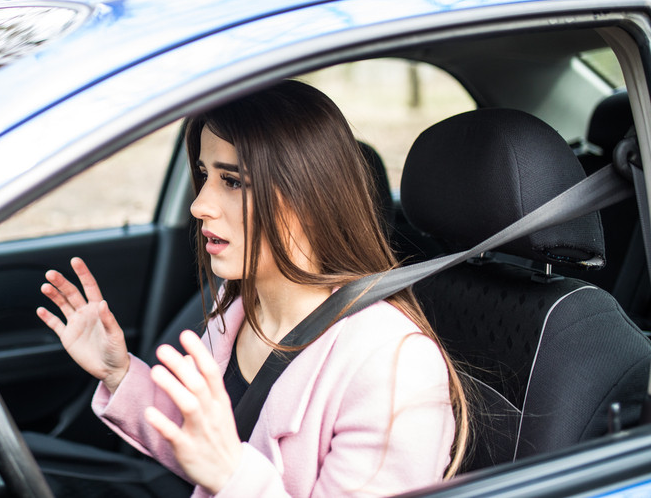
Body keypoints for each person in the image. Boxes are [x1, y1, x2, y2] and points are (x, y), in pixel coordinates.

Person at [37, 80, 469, 497]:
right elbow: (205, 445)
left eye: (233, 181)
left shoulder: (393, 366)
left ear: (309, 195)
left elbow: (223, 465)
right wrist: (119, 373)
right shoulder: (239, 306)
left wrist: (230, 475)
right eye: (205, 175)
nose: (199, 205)